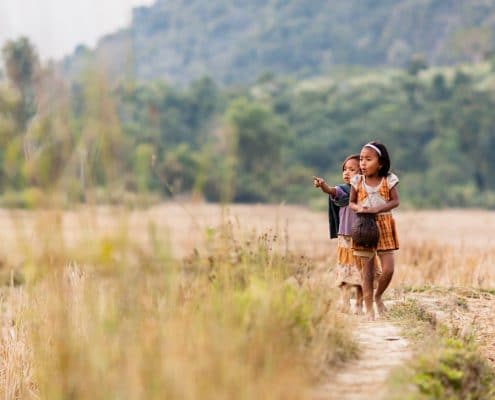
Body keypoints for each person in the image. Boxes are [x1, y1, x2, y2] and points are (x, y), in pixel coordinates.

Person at [349, 141, 399, 320]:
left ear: (381, 163)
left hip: (384, 225)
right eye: (361, 159)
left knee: (389, 269)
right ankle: (368, 309)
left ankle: (378, 296)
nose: (362, 163)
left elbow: (395, 201)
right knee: (367, 272)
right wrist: (359, 209)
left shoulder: (388, 180)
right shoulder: (357, 181)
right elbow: (352, 203)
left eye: (368, 159)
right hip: (364, 227)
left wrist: (377, 209)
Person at [313, 154, 364, 314]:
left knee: (360, 271)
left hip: (362, 236)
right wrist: (323, 185)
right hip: (345, 237)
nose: (346, 173)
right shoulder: (342, 191)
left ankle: (359, 304)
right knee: (344, 271)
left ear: (362, 172)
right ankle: (344, 302)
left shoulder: (366, 191)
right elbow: (331, 191)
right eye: (344, 169)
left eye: (351, 169)